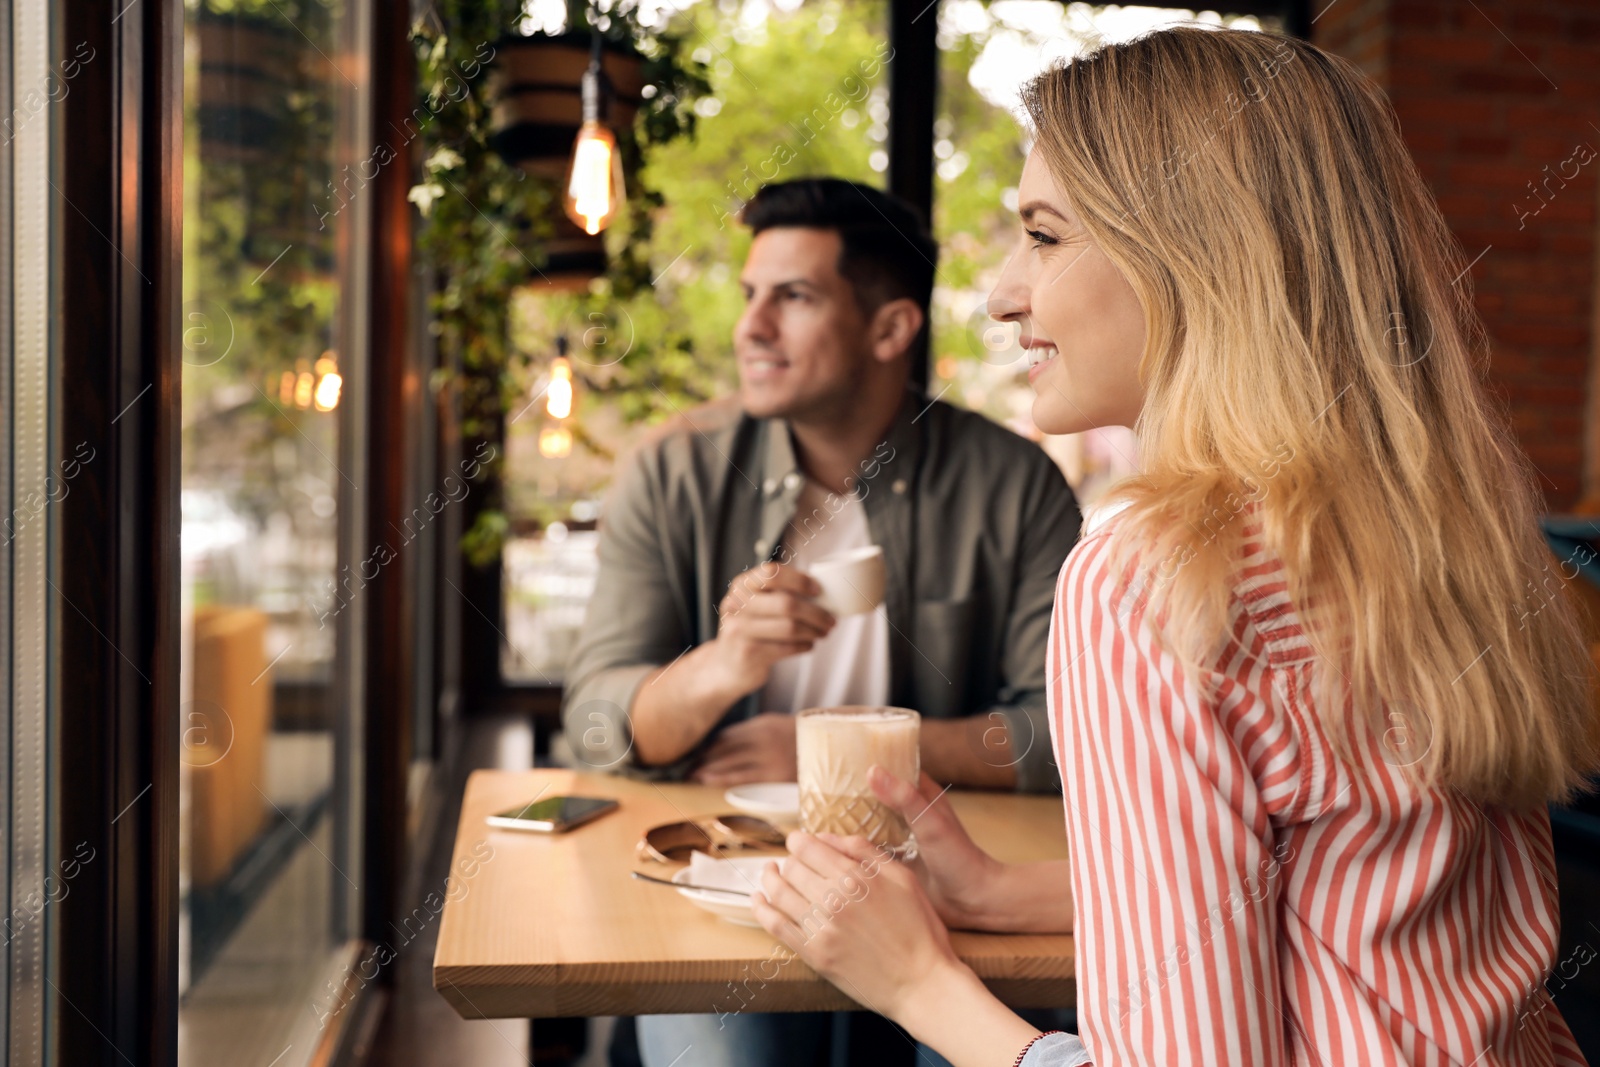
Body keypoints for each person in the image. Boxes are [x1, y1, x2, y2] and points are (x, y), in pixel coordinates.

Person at [751, 27, 1600, 1067]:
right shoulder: (1453, 533)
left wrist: (919, 984)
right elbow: (1343, 864)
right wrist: (998, 890)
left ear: (1196, 256)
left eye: (1046, 235)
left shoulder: (1149, 580)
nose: (1000, 291)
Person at [560, 177, 1081, 1066]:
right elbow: (595, 724)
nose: (750, 328)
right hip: (727, 885)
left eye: (792, 298)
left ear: (890, 329)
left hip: (954, 885)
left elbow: (1065, 735)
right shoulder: (671, 473)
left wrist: (847, 753)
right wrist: (723, 662)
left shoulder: (1012, 485)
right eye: (749, 295)